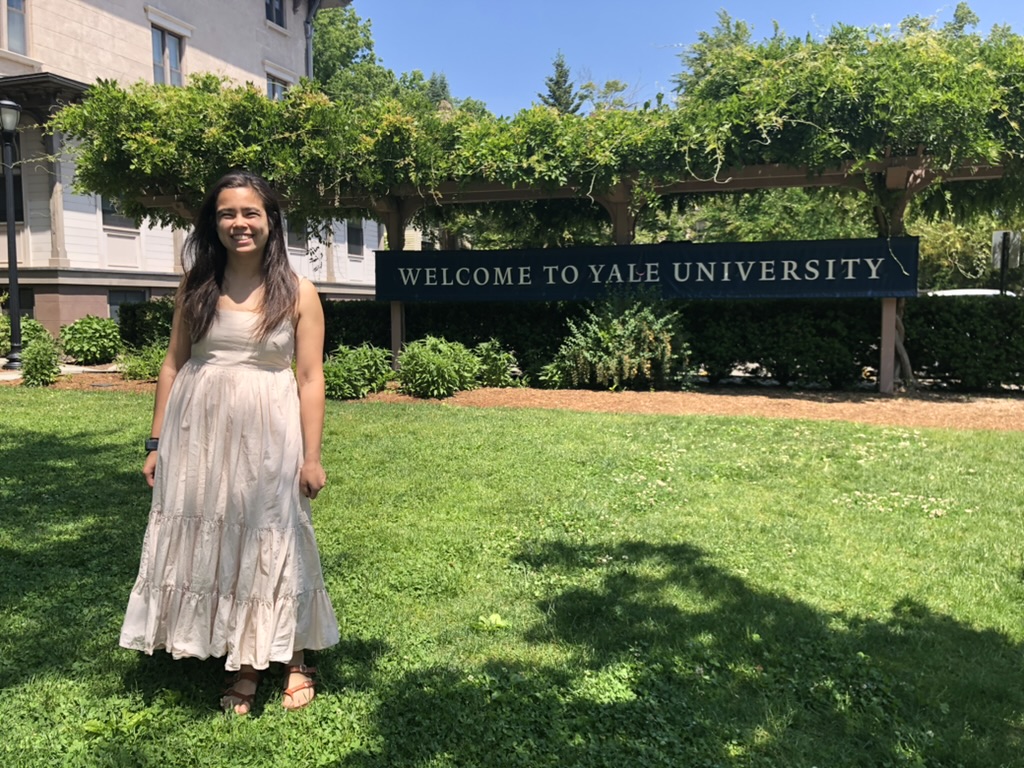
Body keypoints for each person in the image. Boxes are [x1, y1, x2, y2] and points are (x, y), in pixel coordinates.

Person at [119, 170, 340, 714]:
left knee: (272, 534)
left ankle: (293, 657)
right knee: (223, 535)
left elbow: (310, 378)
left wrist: (311, 457)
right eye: (226, 213)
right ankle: (242, 660)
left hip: (269, 431)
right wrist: (155, 441)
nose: (239, 223)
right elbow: (173, 365)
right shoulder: (195, 283)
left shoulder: (298, 291)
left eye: (250, 213)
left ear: (270, 221)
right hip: (200, 433)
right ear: (212, 222)